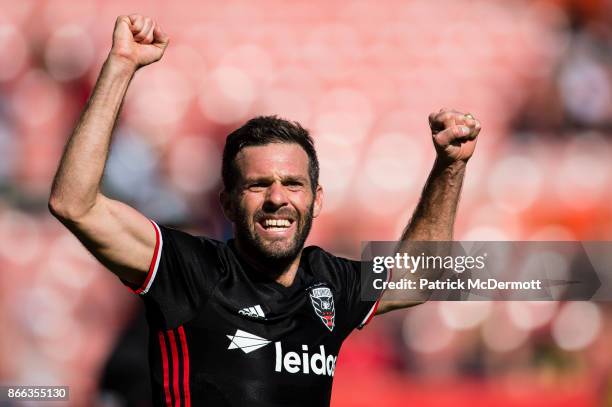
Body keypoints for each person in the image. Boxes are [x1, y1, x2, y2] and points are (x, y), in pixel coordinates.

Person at [48, 14, 480, 407]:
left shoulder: (330, 282)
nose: (278, 198)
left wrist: (450, 166)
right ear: (228, 203)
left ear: (317, 199)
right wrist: (121, 66)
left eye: (293, 184)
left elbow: (422, 276)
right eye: (258, 184)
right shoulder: (191, 270)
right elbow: (74, 204)